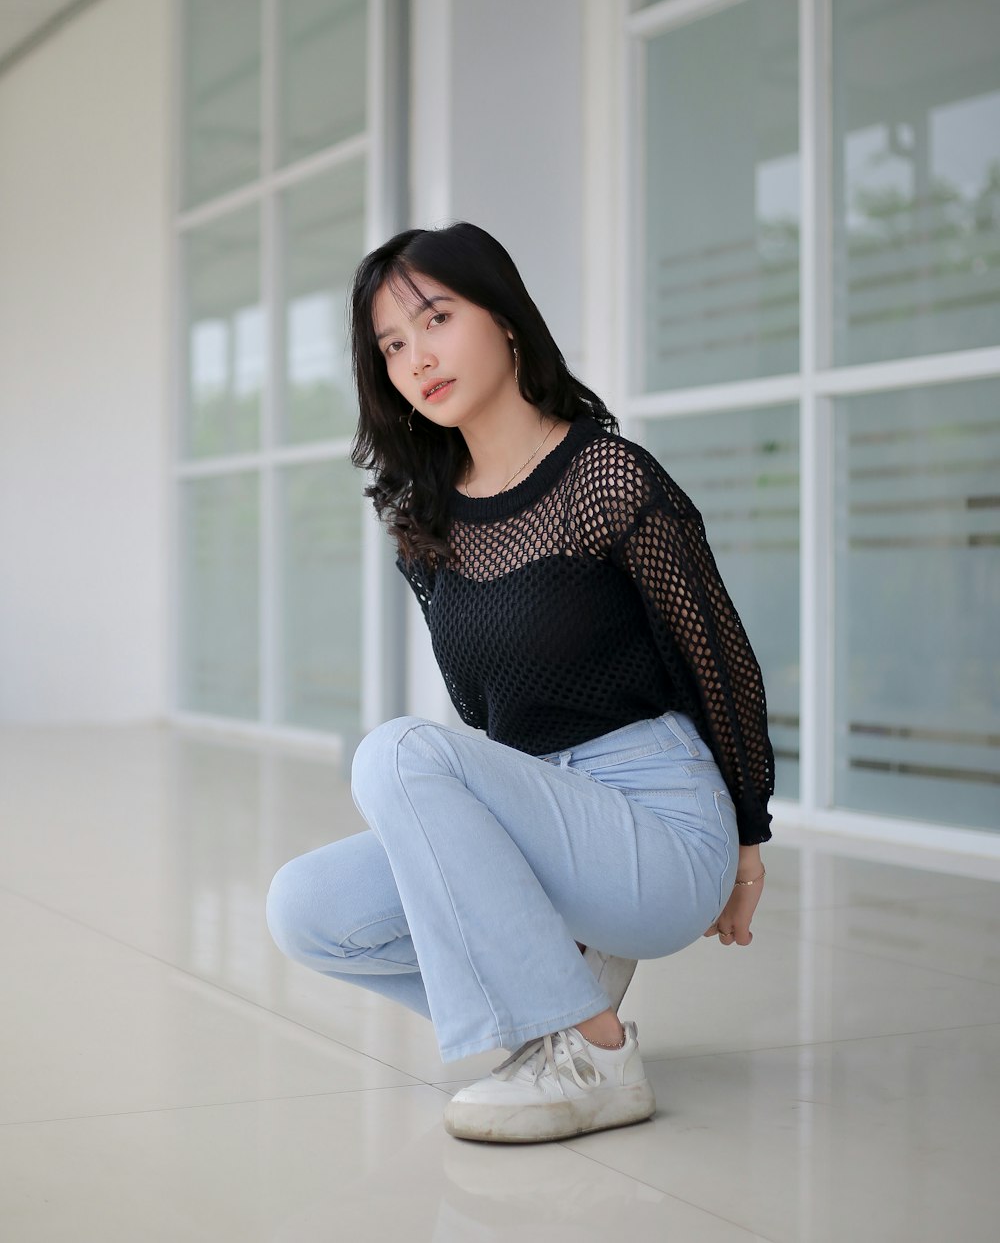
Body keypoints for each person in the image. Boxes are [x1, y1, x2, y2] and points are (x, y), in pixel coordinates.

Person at [266, 221, 774, 1144]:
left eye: (435, 320)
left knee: (397, 752)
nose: (416, 359)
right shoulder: (427, 522)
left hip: (659, 824)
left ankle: (594, 1052)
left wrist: (745, 841)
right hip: (549, 814)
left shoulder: (605, 475)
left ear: (504, 319)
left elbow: (722, 662)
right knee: (305, 911)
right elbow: (491, 718)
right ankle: (558, 1006)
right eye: (390, 346)